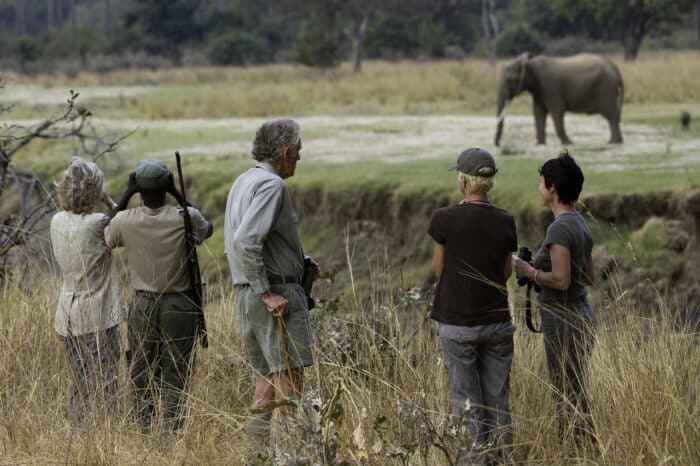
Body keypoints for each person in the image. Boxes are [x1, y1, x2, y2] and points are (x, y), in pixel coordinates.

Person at [224, 118, 317, 441]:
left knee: (264, 394)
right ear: (286, 151)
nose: (300, 158)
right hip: (275, 299)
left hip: (248, 297)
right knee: (289, 397)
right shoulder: (273, 185)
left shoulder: (243, 181)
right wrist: (267, 294)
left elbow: (241, 243)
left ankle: (256, 460)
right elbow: (247, 241)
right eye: (299, 151)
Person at [104, 159, 213, 431]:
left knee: (141, 369)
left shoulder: (125, 220)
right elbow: (206, 228)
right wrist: (177, 192)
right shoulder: (185, 217)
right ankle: (171, 432)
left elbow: (106, 236)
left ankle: (145, 429)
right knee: (177, 371)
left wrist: (128, 193)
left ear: (138, 188)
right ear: (167, 185)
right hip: (180, 304)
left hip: (143, 304)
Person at [427, 148, 517, 464]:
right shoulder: (506, 221)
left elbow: (439, 272)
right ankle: (502, 459)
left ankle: (474, 461)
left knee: (465, 402)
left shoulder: (443, 218)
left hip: (457, 324)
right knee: (497, 401)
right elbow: (506, 272)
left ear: (463, 180)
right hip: (498, 323)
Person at [512, 151, 597, 446]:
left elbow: (561, 280)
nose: (538, 188)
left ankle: (576, 453)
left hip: (563, 321)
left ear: (553, 188)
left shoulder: (559, 227)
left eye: (541, 183)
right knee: (575, 389)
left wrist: (529, 272)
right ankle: (586, 451)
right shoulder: (580, 224)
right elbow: (588, 278)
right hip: (582, 313)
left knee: (565, 393)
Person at [50, 157, 124, 424]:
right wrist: (108, 199)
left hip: (66, 314)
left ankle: (77, 429)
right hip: (96, 314)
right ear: (95, 189)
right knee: (106, 382)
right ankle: (106, 437)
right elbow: (123, 220)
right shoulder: (98, 223)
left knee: (80, 380)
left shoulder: (57, 220)